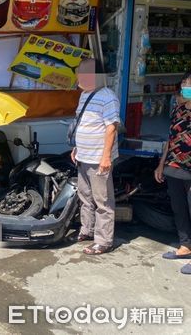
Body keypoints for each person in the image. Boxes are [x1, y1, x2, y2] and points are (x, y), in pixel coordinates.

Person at [70, 58, 120, 255]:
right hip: (83, 156)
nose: (79, 77)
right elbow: (80, 123)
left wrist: (106, 157)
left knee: (103, 201)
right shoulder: (84, 95)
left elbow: (111, 127)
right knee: (85, 196)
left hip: (99, 158)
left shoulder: (108, 96)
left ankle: (104, 241)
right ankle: (87, 230)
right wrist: (76, 147)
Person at [154, 72, 191, 275]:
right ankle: (185, 246)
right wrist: (161, 165)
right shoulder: (178, 109)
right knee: (179, 208)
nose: (185, 87)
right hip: (174, 166)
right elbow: (170, 139)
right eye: (184, 83)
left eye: (189, 84)